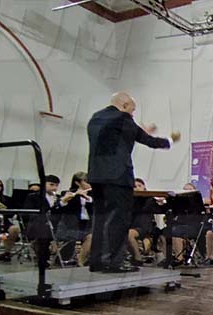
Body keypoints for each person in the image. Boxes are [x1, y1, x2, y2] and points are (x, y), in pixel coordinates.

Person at [86, 91, 179, 273]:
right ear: (125, 105)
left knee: (100, 219)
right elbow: (149, 141)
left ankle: (97, 261)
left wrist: (136, 130)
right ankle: (113, 262)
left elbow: (113, 139)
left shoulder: (95, 118)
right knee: (118, 219)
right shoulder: (123, 118)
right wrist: (170, 140)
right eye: (132, 110)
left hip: (96, 176)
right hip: (118, 177)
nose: (133, 114)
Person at [55, 172, 94, 265]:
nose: (89, 184)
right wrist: (69, 197)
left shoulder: (93, 195)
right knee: (90, 236)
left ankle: (81, 260)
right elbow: (57, 207)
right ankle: (79, 260)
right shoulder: (67, 193)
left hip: (87, 226)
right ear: (77, 183)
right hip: (69, 227)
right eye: (86, 181)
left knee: (94, 236)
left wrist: (88, 198)